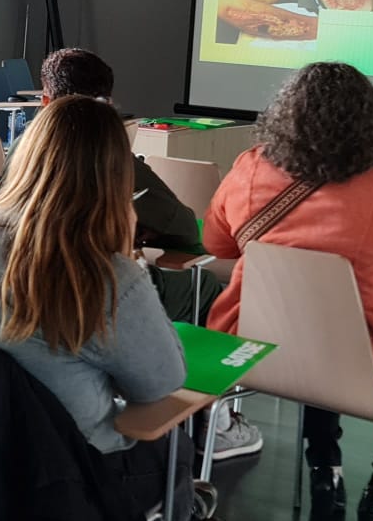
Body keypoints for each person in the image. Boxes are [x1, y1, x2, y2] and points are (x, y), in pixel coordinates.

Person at [0, 97, 230, 521]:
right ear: (116, 179)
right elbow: (162, 381)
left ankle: (183, 515)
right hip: (67, 480)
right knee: (168, 426)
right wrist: (129, 261)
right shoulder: (108, 277)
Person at [204, 61, 373, 521]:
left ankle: (324, 466)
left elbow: (216, 245)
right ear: (370, 120)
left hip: (259, 350)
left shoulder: (249, 169)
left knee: (317, 329)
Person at [36, 47, 259, 463]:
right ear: (109, 107)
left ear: (45, 101)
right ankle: (218, 420)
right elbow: (183, 230)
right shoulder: (115, 163)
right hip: (95, 430)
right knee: (206, 286)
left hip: (24, 404)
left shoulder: (17, 166)